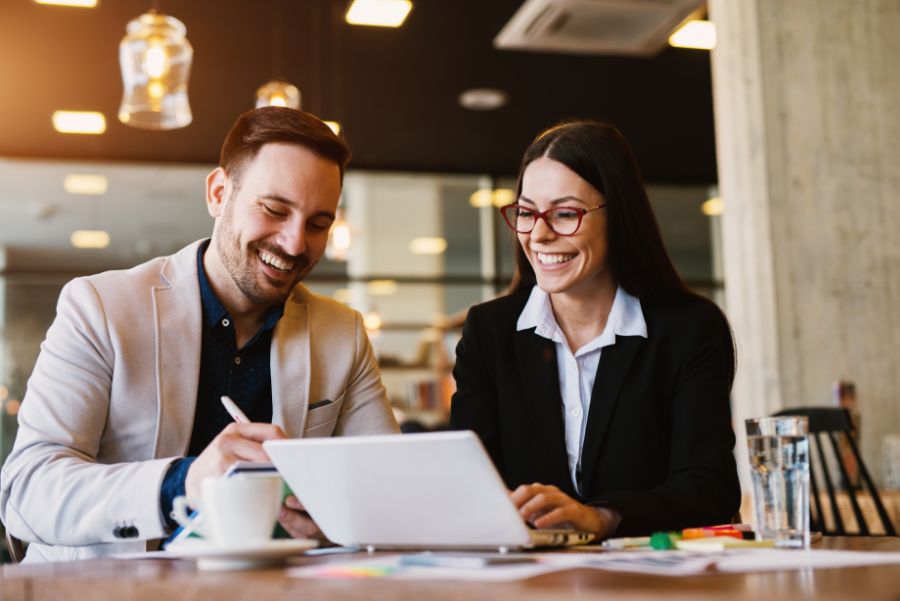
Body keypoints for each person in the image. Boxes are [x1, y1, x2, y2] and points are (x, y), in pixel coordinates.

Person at [0, 107, 399, 562]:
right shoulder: (100, 307)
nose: (293, 243)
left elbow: (385, 488)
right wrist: (185, 482)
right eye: (274, 209)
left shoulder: (341, 334)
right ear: (218, 193)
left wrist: (332, 522)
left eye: (318, 224)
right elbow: (26, 490)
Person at [450, 120, 740, 538]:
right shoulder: (489, 332)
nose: (540, 235)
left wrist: (602, 517)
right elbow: (466, 482)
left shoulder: (689, 329)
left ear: (618, 215)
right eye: (527, 213)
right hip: (527, 579)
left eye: (565, 213)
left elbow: (710, 490)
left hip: (650, 582)